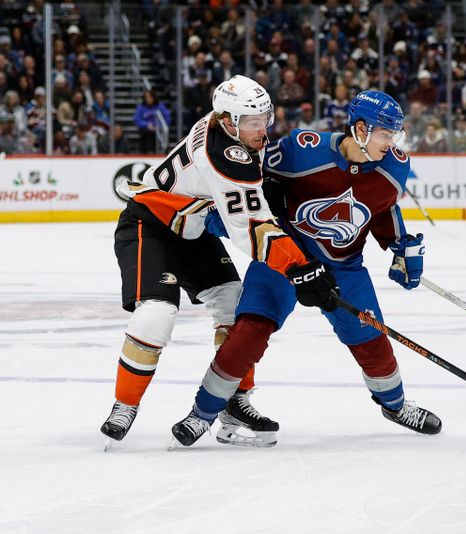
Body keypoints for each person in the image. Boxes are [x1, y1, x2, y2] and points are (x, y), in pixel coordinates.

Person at [170, 90, 442, 448]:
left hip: (344, 266)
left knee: (371, 339)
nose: (391, 143)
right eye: (385, 134)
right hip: (286, 255)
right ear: (360, 129)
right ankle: (201, 414)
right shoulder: (302, 148)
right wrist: (229, 216)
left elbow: (382, 205)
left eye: (394, 135)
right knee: (249, 330)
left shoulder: (395, 164)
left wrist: (400, 244)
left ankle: (394, 405)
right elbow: (248, 179)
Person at [101, 75, 335, 447]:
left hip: (191, 226)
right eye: (253, 122)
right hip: (151, 224)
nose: (263, 129)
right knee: (157, 312)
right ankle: (124, 403)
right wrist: (299, 267)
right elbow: (251, 230)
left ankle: (233, 404)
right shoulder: (225, 155)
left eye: (265, 119)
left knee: (233, 304)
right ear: (228, 121)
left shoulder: (227, 128)